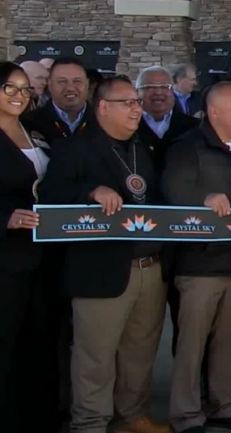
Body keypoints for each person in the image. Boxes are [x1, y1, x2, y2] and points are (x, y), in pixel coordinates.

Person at [40, 75, 171, 433]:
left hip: (148, 266)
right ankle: (90, 423)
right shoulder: (75, 148)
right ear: (102, 107)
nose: (136, 109)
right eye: (126, 102)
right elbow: (49, 197)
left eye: (137, 102)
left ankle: (132, 416)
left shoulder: (142, 147)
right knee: (94, 357)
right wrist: (89, 191)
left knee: (139, 353)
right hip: (99, 269)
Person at [162, 81, 231, 433]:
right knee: (191, 347)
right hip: (200, 266)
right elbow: (172, 191)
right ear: (214, 112)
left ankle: (224, 408)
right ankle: (187, 415)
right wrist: (202, 199)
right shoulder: (187, 147)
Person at [0, 62, 62, 433]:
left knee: (39, 343)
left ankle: (38, 419)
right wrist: (5, 217)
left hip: (42, 255)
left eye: (25, 89)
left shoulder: (36, 130)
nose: (20, 96)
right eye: (11, 88)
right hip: (6, 257)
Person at [135, 66, 200, 171]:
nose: (158, 92)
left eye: (165, 87)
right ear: (137, 93)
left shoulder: (194, 127)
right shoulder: (126, 127)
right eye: (150, 87)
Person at [23, 57, 95, 144]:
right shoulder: (28, 123)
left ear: (87, 84)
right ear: (50, 85)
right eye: (62, 81)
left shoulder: (104, 121)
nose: (70, 88)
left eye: (77, 81)